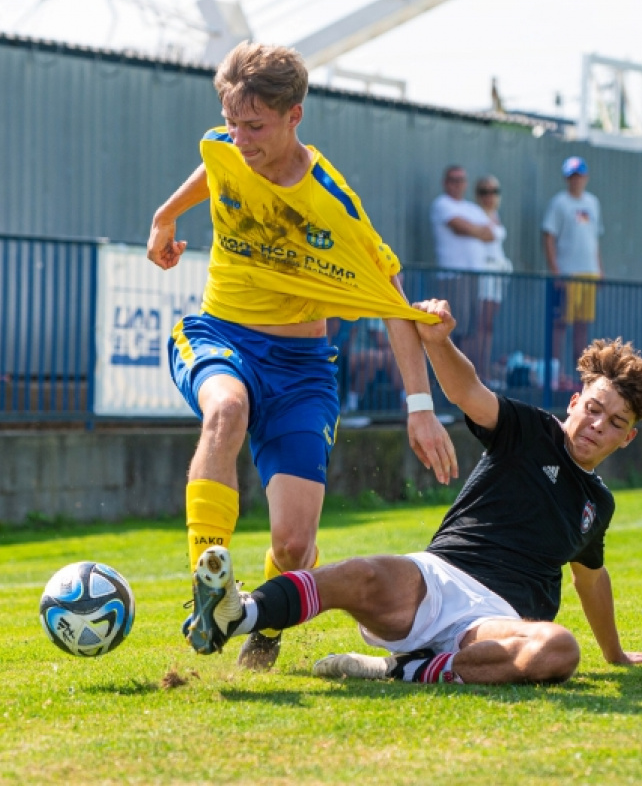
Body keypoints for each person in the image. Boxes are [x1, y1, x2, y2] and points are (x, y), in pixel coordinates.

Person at [146, 41, 458, 671]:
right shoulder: (228, 146)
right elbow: (215, 166)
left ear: (296, 117)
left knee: (294, 546)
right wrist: (163, 218)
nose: (239, 138)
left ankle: (263, 627)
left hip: (301, 370)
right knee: (225, 411)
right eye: (232, 121)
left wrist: (421, 408)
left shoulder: (330, 204)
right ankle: (209, 589)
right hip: (220, 335)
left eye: (255, 126)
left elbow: (390, 299)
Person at [183, 301, 642, 686]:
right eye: (593, 408)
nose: (596, 426)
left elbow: (591, 580)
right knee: (362, 573)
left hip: (496, 623)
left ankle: (404, 670)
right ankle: (237, 614)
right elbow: (468, 392)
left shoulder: (597, 505)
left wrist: (616, 654)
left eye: (615, 423)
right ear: (575, 401)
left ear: (627, 438)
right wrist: (439, 344)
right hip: (435, 579)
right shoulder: (531, 430)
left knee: (559, 649)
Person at [542, 156, 604, 377]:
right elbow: (548, 236)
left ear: (586, 177)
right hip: (568, 273)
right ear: (567, 178)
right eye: (572, 176)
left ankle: (581, 376)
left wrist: (599, 269)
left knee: (582, 326)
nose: (576, 180)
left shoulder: (593, 202)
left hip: (588, 274)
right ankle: (555, 375)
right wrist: (555, 270)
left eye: (579, 175)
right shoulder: (560, 202)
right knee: (560, 325)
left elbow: (594, 239)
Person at [430, 165, 496, 351]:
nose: (458, 184)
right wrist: (475, 230)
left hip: (474, 276)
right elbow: (460, 227)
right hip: (453, 276)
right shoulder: (442, 203)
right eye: (453, 180)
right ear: (445, 183)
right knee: (452, 327)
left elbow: (491, 234)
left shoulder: (472, 209)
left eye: (461, 180)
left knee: (470, 329)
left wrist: (471, 229)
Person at [474, 175, 513, 381]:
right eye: (484, 191)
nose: (490, 196)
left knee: (488, 325)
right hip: (484, 273)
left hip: (497, 274)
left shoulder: (495, 214)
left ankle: (484, 369)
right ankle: (478, 371)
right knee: (481, 324)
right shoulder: (475, 214)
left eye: (494, 191)